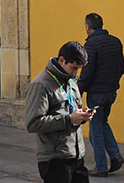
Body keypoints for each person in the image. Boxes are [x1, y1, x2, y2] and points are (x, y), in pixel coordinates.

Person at [25, 40, 97, 182]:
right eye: (73, 68)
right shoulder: (40, 85)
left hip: (76, 155)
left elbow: (71, 110)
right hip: (55, 160)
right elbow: (33, 123)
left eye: (79, 69)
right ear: (62, 60)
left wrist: (82, 115)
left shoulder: (71, 81)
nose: (76, 73)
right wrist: (69, 119)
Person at [78, 13, 124, 176]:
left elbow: (87, 72)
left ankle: (101, 167)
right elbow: (122, 68)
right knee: (102, 122)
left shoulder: (91, 45)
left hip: (96, 93)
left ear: (87, 27)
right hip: (111, 92)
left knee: (95, 130)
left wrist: (78, 91)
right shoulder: (115, 41)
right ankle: (115, 155)